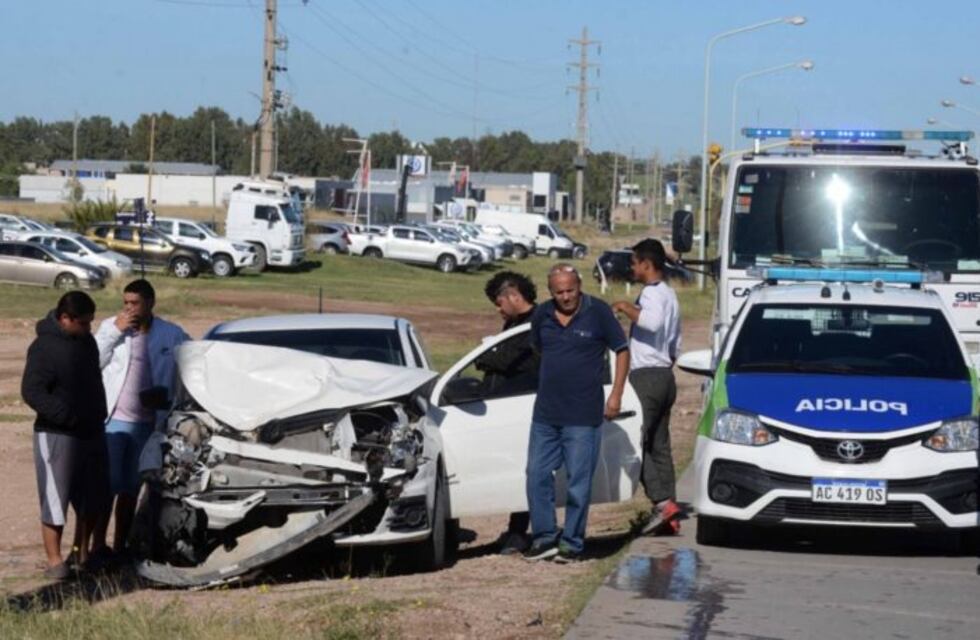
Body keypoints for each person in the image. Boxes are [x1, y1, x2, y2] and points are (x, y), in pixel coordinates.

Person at [524, 263, 629, 563]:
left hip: (583, 416)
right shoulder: (542, 314)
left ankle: (572, 543)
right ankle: (544, 538)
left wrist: (616, 394)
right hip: (545, 414)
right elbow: (538, 349)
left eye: (571, 290)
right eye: (559, 292)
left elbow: (622, 350)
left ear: (579, 286)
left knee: (578, 483)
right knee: (536, 475)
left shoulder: (598, 312)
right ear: (551, 292)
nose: (566, 297)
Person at [93, 279, 189, 555]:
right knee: (107, 486)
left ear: (150, 303)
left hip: (148, 424)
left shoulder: (170, 334)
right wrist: (114, 332)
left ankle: (122, 545)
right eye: (125, 303)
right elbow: (92, 360)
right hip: (113, 421)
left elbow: (192, 363)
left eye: (135, 303)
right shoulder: (111, 327)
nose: (129, 308)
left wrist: (169, 398)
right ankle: (99, 545)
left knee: (131, 489)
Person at [22, 291, 109, 580]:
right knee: (54, 499)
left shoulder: (88, 343)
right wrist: (65, 416)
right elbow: (32, 391)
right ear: (65, 319)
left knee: (92, 498)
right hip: (56, 434)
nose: (89, 329)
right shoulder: (43, 347)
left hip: (91, 432)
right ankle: (54, 561)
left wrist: (98, 414)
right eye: (83, 323)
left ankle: (80, 554)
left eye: (90, 323)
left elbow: (95, 382)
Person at [612, 239, 682, 535]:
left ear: (646, 264)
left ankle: (662, 502)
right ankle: (671, 511)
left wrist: (626, 307)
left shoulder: (652, 294)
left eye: (634, 262)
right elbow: (675, 343)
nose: (631, 267)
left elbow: (651, 324)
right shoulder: (671, 294)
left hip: (647, 376)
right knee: (659, 445)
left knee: (635, 441)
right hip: (665, 374)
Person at [480, 271, 539, 555]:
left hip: (523, 407)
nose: (497, 308)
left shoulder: (535, 324)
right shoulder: (514, 324)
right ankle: (515, 530)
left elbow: (505, 359)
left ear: (513, 295)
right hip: (505, 408)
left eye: (498, 301)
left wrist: (485, 355)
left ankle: (520, 531)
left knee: (525, 471)